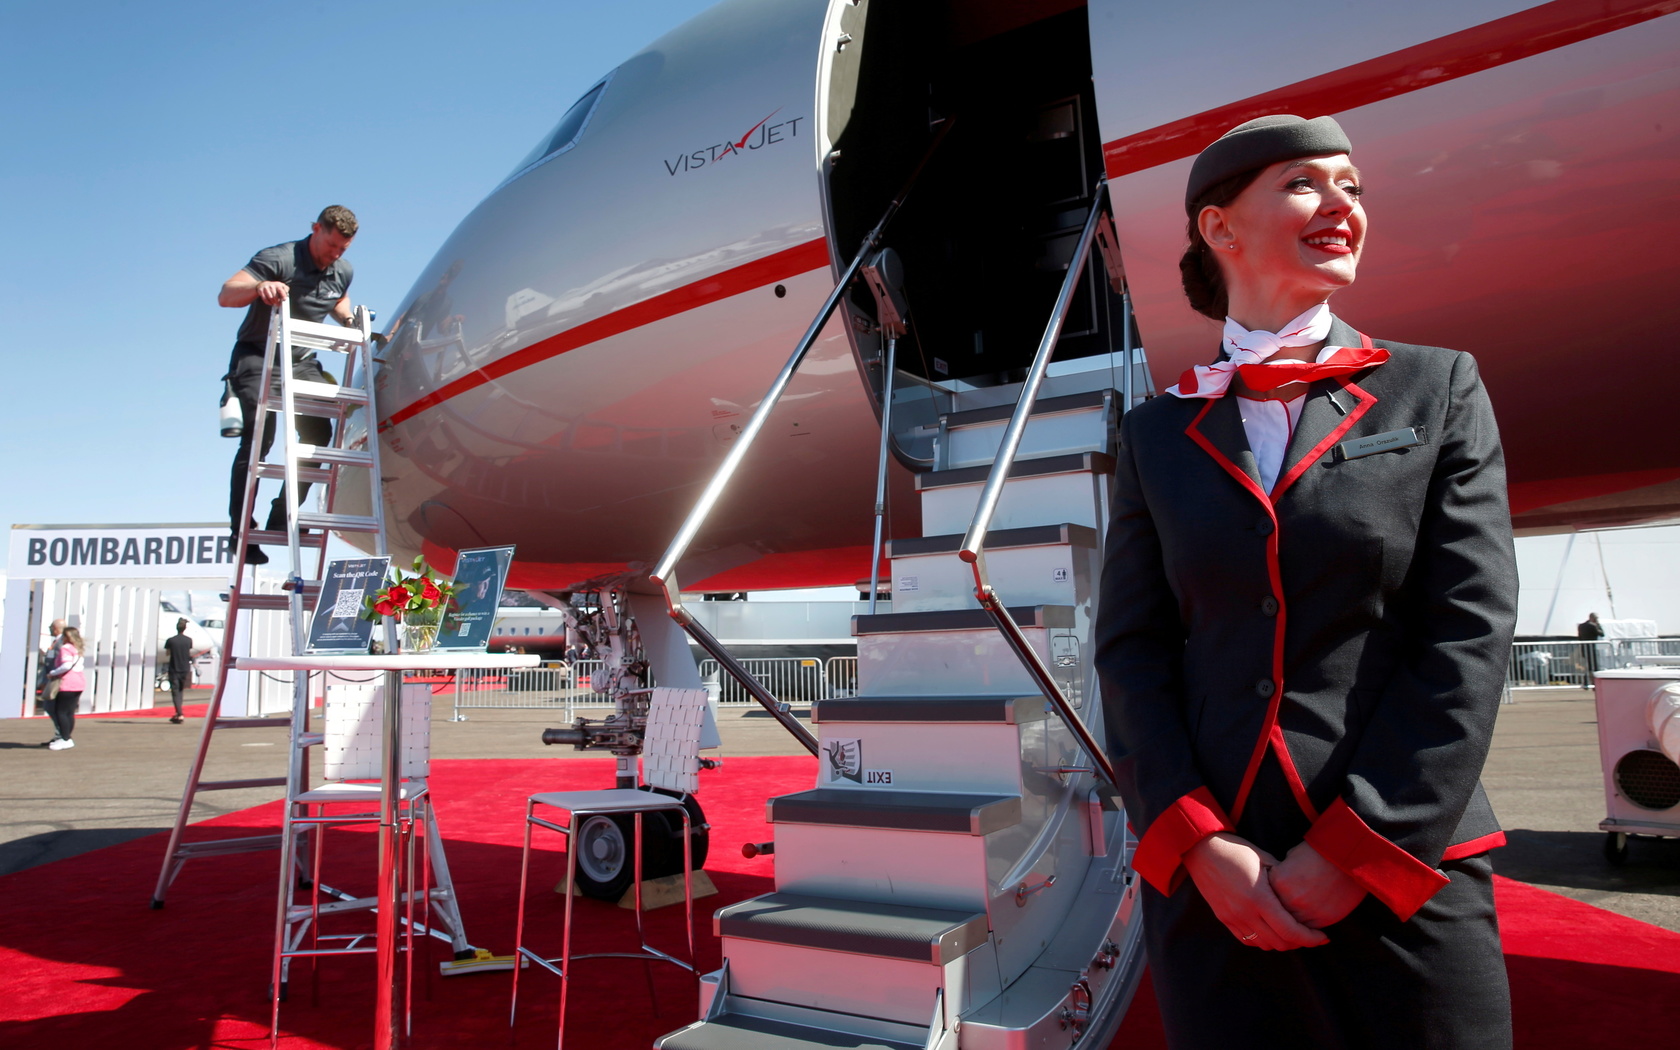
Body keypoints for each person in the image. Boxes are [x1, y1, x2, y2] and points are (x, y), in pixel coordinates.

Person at [1095, 115, 1517, 1049]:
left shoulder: (1436, 389)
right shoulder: (1157, 434)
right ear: (1219, 227)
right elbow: (1131, 653)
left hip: (1403, 861)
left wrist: (1355, 847)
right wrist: (1200, 846)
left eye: (1353, 187)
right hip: (1219, 880)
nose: (1343, 206)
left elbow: (1469, 634)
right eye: (1305, 184)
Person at [219, 205, 359, 564]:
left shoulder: (342, 270)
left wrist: (348, 319)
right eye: (331, 246)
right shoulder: (279, 258)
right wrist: (258, 287)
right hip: (258, 354)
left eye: (343, 249)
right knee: (258, 441)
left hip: (300, 361)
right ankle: (242, 533)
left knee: (319, 435)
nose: (335, 254)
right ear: (315, 229)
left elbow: (338, 299)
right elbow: (227, 293)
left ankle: (284, 516)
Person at [43, 626, 88, 751]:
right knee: (69, 712)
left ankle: (65, 738)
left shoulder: (66, 648)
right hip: (79, 682)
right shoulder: (77, 649)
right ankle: (66, 737)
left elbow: (66, 665)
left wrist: (52, 673)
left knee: (61, 712)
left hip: (67, 683)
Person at [162, 619, 202, 724]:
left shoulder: (171, 640)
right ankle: (178, 713)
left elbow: (167, 653)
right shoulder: (188, 640)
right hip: (185, 668)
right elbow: (188, 652)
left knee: (175, 692)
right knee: (180, 690)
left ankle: (179, 714)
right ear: (185, 628)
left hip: (174, 668)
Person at [1577, 612, 1605, 683]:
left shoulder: (1581, 626)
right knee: (1594, 666)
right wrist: (1598, 625)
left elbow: (1579, 637)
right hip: (1591, 648)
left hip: (1584, 648)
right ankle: (1595, 682)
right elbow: (1602, 634)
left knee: (1586, 666)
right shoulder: (1593, 626)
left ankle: (1586, 682)